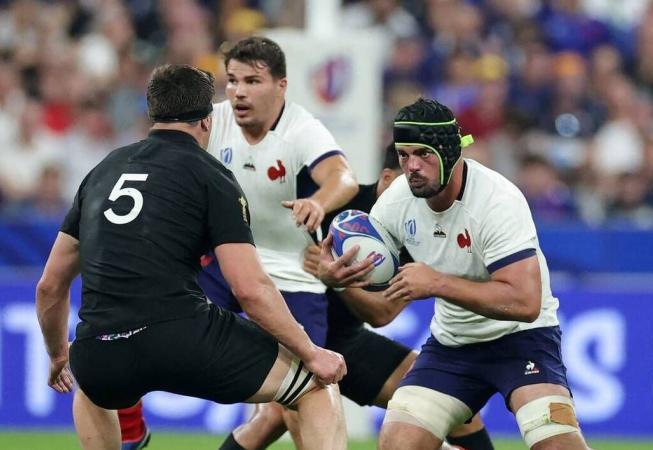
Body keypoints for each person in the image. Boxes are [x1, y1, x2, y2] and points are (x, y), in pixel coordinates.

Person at [35, 64, 347, 450]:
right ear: (207, 120)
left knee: (94, 386)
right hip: (181, 336)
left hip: (101, 347)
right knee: (315, 386)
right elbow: (249, 288)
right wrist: (310, 352)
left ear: (152, 113)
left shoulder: (102, 172)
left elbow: (50, 286)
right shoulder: (211, 176)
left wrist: (58, 356)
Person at [117, 36, 359, 450]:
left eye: (252, 80)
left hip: (290, 274)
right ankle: (130, 425)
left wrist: (319, 203)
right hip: (223, 264)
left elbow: (344, 177)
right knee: (131, 320)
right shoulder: (212, 121)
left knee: (305, 390)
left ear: (281, 86)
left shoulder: (301, 128)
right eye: (231, 80)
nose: (239, 91)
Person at [319, 98, 591, 450]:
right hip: (452, 346)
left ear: (450, 152)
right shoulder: (397, 201)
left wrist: (437, 283)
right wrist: (340, 278)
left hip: (522, 340)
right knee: (397, 444)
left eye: (423, 154)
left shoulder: (497, 201)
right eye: (404, 155)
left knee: (556, 444)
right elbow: (383, 303)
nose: (412, 166)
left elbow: (525, 302)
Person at [196, 144, 496, 450]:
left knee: (449, 397)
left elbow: (382, 314)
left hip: (346, 341)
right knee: (276, 415)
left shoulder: (422, 233)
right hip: (297, 339)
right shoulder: (337, 206)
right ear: (388, 178)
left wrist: (337, 281)